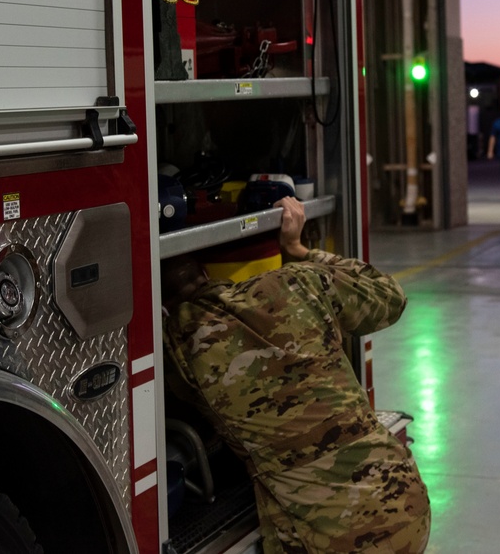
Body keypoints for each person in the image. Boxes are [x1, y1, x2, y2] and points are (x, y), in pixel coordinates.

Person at [161, 196, 431, 554]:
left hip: (332, 536)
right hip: (406, 502)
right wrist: (299, 249)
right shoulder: (297, 283)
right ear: (209, 273)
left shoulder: (180, 341)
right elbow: (390, 296)